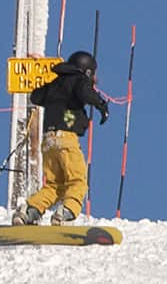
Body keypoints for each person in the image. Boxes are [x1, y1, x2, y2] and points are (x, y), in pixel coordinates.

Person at [19, 50, 110, 225]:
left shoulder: (55, 83)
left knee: (55, 184)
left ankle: (30, 211)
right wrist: (101, 105)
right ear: (88, 71)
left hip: (48, 141)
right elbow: (85, 92)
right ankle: (66, 212)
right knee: (78, 180)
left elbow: (36, 96)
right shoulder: (80, 80)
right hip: (66, 138)